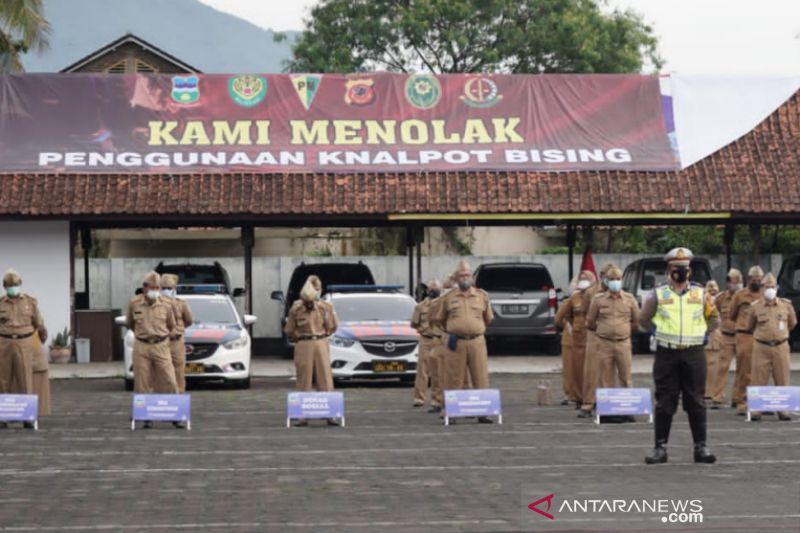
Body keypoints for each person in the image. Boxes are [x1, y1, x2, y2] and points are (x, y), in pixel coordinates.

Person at [640, 248, 718, 464]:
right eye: (676, 268)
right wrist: (657, 332)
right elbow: (644, 319)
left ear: (690, 270)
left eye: (684, 268)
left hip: (694, 353)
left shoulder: (701, 294)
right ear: (669, 269)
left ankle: (701, 448)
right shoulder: (658, 294)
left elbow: (714, 320)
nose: (680, 272)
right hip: (667, 354)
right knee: (665, 401)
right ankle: (660, 448)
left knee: (696, 401)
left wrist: (702, 334)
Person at [434, 260, 494, 423]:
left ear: (472, 277)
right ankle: (451, 413)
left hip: (477, 342)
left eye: (467, 274)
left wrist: (474, 329)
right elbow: (440, 319)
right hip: (456, 342)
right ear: (456, 278)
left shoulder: (482, 296)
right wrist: (455, 330)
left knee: (480, 376)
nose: (464, 277)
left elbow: (488, 319)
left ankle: (483, 413)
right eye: (461, 275)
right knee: (453, 378)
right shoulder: (448, 297)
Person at [284, 275, 339, 426]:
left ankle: (330, 414)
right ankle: (302, 415)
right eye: (315, 288)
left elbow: (333, 326)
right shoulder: (297, 308)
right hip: (304, 343)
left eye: (319, 287)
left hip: (320, 341)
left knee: (325, 378)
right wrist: (299, 338)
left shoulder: (326, 307)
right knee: (304, 378)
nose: (318, 290)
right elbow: (289, 329)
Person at [125, 271, 178, 428]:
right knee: (142, 382)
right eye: (152, 287)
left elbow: (171, 324)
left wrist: (159, 336)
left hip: (161, 344)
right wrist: (144, 335)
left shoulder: (167, 304)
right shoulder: (134, 303)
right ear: (145, 288)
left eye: (158, 287)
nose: (156, 290)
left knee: (170, 379)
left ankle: (175, 414)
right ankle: (145, 415)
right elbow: (131, 323)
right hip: (142, 345)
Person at [586, 265, 639, 422]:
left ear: (622, 280)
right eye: (612, 279)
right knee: (605, 378)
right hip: (604, 343)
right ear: (606, 281)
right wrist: (604, 330)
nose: (615, 282)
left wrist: (624, 331)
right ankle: (607, 412)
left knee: (626, 377)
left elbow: (636, 322)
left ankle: (627, 410)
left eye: (618, 279)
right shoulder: (598, 299)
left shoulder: (630, 299)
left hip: (623, 343)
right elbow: (590, 322)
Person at [745, 273, 797, 421]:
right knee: (758, 378)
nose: (770, 289)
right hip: (761, 346)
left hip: (781, 346)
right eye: (767, 287)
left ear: (777, 288)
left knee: (782, 377)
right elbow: (749, 326)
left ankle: (783, 410)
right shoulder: (755, 307)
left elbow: (792, 323)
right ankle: (756, 410)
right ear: (762, 288)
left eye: (772, 286)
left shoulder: (786, 305)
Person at [0, 269, 47, 429]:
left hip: (24, 342)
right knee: (3, 379)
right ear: (5, 286)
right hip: (4, 343)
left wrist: (42, 337)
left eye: (16, 284)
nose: (13, 287)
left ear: (20, 284)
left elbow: (38, 323)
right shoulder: (0, 303)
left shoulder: (30, 302)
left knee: (25, 379)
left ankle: (27, 416)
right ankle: (3, 417)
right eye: (10, 285)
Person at [555, 271, 596, 411]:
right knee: (575, 371)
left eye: (587, 279)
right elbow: (563, 318)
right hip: (576, 339)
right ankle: (577, 397)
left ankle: (593, 397)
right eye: (581, 279)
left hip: (594, 339)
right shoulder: (573, 299)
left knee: (593, 371)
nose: (583, 281)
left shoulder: (598, 298)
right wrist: (570, 328)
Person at [578, 264, 612, 418]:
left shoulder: (620, 293)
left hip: (612, 335)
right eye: (608, 276)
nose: (611, 280)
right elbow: (584, 313)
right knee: (591, 371)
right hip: (594, 333)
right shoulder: (591, 293)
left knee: (610, 370)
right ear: (601, 275)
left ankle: (607, 402)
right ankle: (588, 403)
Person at [730, 266, 764, 414]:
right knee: (745, 369)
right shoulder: (740, 295)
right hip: (744, 334)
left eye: (758, 279)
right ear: (748, 279)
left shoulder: (764, 295)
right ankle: (743, 401)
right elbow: (732, 314)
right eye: (753, 279)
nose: (756, 281)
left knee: (758, 370)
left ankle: (742, 397)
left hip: (760, 335)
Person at [709, 269, 742, 409]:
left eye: (738, 281)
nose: (735, 284)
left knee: (743, 369)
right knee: (722, 368)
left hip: (742, 336)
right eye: (733, 281)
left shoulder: (745, 296)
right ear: (728, 283)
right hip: (726, 336)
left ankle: (738, 397)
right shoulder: (721, 298)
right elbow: (713, 312)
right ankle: (717, 397)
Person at [410, 279, 445, 410]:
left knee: (438, 371)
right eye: (431, 289)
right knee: (422, 371)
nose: (433, 291)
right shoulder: (420, 306)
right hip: (425, 339)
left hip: (439, 340)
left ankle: (437, 400)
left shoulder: (444, 305)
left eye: (436, 289)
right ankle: (419, 398)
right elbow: (414, 323)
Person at [160, 274, 193, 394]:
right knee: (161, 372)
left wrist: (178, 330)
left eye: (169, 288)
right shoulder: (155, 304)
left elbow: (189, 320)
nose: (166, 291)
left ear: (174, 288)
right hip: (161, 342)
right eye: (163, 288)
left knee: (179, 372)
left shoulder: (181, 303)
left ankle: (179, 398)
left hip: (176, 342)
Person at [558, 275, 580, 405]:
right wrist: (567, 326)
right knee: (569, 368)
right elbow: (558, 319)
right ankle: (569, 393)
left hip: (584, 340)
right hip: (570, 340)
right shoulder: (567, 303)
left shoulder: (592, 301)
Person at [703, 281, 722, 404]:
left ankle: (715, 391)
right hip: (707, 335)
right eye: (710, 288)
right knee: (707, 366)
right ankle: (707, 392)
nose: (713, 290)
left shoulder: (720, 300)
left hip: (718, 337)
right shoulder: (704, 301)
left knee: (716, 367)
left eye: (715, 288)